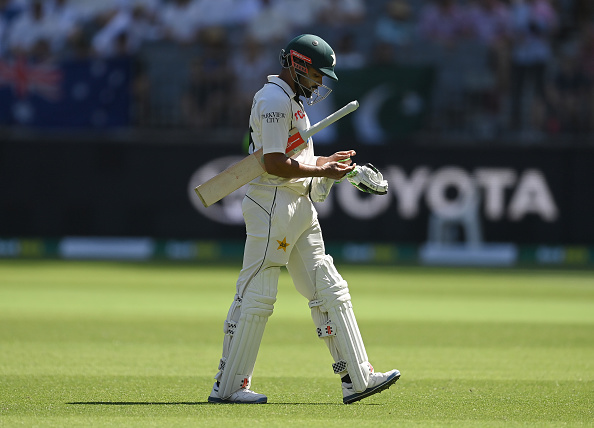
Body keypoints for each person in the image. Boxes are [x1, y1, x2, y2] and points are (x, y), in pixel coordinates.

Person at [207, 34, 400, 405]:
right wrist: (323, 169)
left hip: (297, 205)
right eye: (316, 74)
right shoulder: (274, 99)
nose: (319, 82)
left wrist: (325, 165)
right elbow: (275, 163)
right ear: (297, 64)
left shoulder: (291, 100)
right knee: (257, 296)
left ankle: (357, 378)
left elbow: (291, 159)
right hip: (272, 204)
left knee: (328, 288)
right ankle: (229, 386)